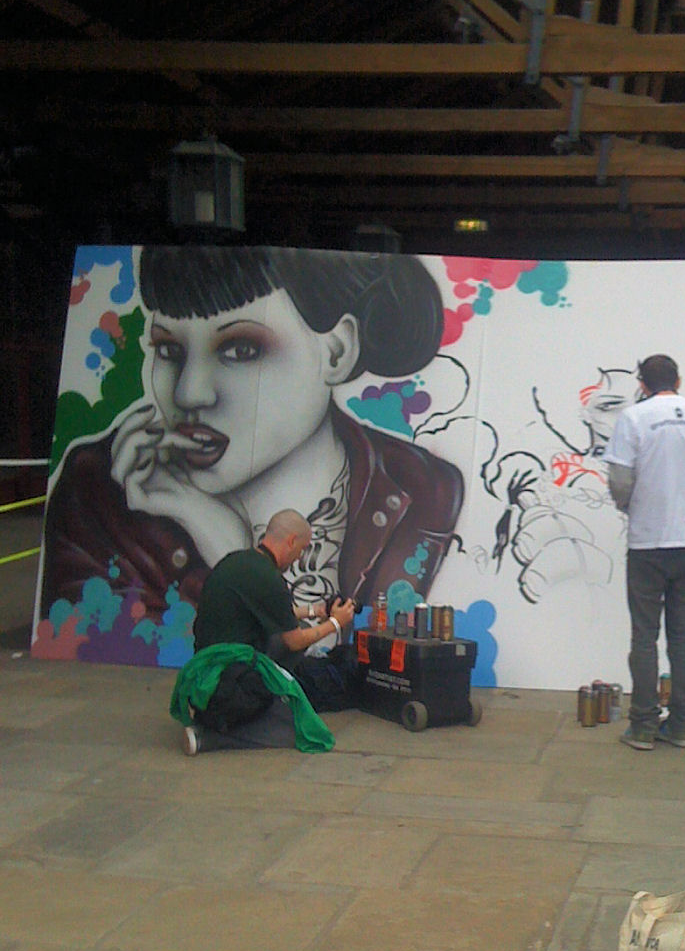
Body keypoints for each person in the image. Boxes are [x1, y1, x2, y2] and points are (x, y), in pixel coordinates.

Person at [39, 245, 463, 656]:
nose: (189, 393)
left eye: (241, 349)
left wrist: (237, 557)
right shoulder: (98, 494)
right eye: (168, 350)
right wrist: (230, 554)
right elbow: (192, 654)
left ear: (337, 352)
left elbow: (354, 657)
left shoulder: (422, 490)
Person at [604, 355, 685, 750]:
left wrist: (631, 504)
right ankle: (681, 726)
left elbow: (619, 480)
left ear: (642, 384)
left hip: (647, 543)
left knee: (645, 637)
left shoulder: (633, 418)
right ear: (678, 380)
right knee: (682, 636)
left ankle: (643, 725)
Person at [173, 509, 358, 754]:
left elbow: (273, 611)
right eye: (302, 549)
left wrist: (317, 611)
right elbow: (295, 641)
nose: (299, 558)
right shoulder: (269, 579)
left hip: (206, 670)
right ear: (291, 541)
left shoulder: (239, 561)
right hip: (229, 682)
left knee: (293, 632)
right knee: (297, 730)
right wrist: (336, 623)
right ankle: (208, 737)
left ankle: (235, 709)